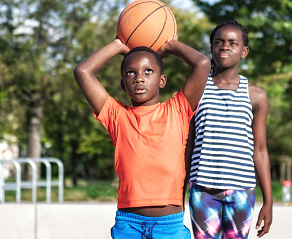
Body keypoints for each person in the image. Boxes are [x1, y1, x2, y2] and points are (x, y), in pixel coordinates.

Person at [74, 36, 210, 239]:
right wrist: (118, 46)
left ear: (162, 80)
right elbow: (83, 71)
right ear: (123, 84)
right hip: (129, 225)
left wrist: (170, 46)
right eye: (131, 72)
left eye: (149, 71)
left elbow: (202, 63)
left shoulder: (178, 110)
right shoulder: (117, 116)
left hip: (170, 226)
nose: (139, 78)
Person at [186, 20, 273, 239]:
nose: (225, 46)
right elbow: (189, 143)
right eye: (219, 42)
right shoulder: (196, 91)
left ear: (244, 51)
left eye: (232, 43)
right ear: (211, 48)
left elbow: (260, 150)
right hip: (203, 190)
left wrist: (269, 201)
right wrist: (179, 188)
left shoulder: (257, 96)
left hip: (241, 191)